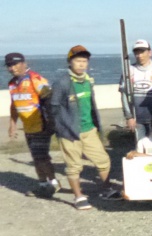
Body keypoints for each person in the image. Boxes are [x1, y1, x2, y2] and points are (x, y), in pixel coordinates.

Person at [50, 45, 118, 210]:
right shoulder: (62, 82)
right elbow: (53, 107)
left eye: (84, 61)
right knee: (74, 166)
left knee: (103, 160)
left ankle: (106, 189)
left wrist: (95, 126)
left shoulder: (88, 81)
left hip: (89, 130)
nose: (81, 64)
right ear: (70, 62)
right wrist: (62, 128)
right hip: (70, 132)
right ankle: (78, 196)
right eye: (78, 61)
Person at [6, 52, 59, 197]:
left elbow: (50, 99)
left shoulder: (36, 79)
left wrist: (52, 123)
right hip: (28, 126)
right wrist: (12, 124)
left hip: (41, 125)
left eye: (15, 64)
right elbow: (14, 105)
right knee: (36, 156)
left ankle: (53, 183)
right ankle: (43, 184)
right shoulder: (12, 84)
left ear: (24, 63)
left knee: (41, 156)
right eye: (9, 65)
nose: (12, 68)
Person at [120, 39, 152, 141]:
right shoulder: (128, 71)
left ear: (150, 53)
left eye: (142, 52)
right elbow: (124, 95)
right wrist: (129, 117)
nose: (139, 55)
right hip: (137, 120)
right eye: (136, 52)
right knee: (141, 147)